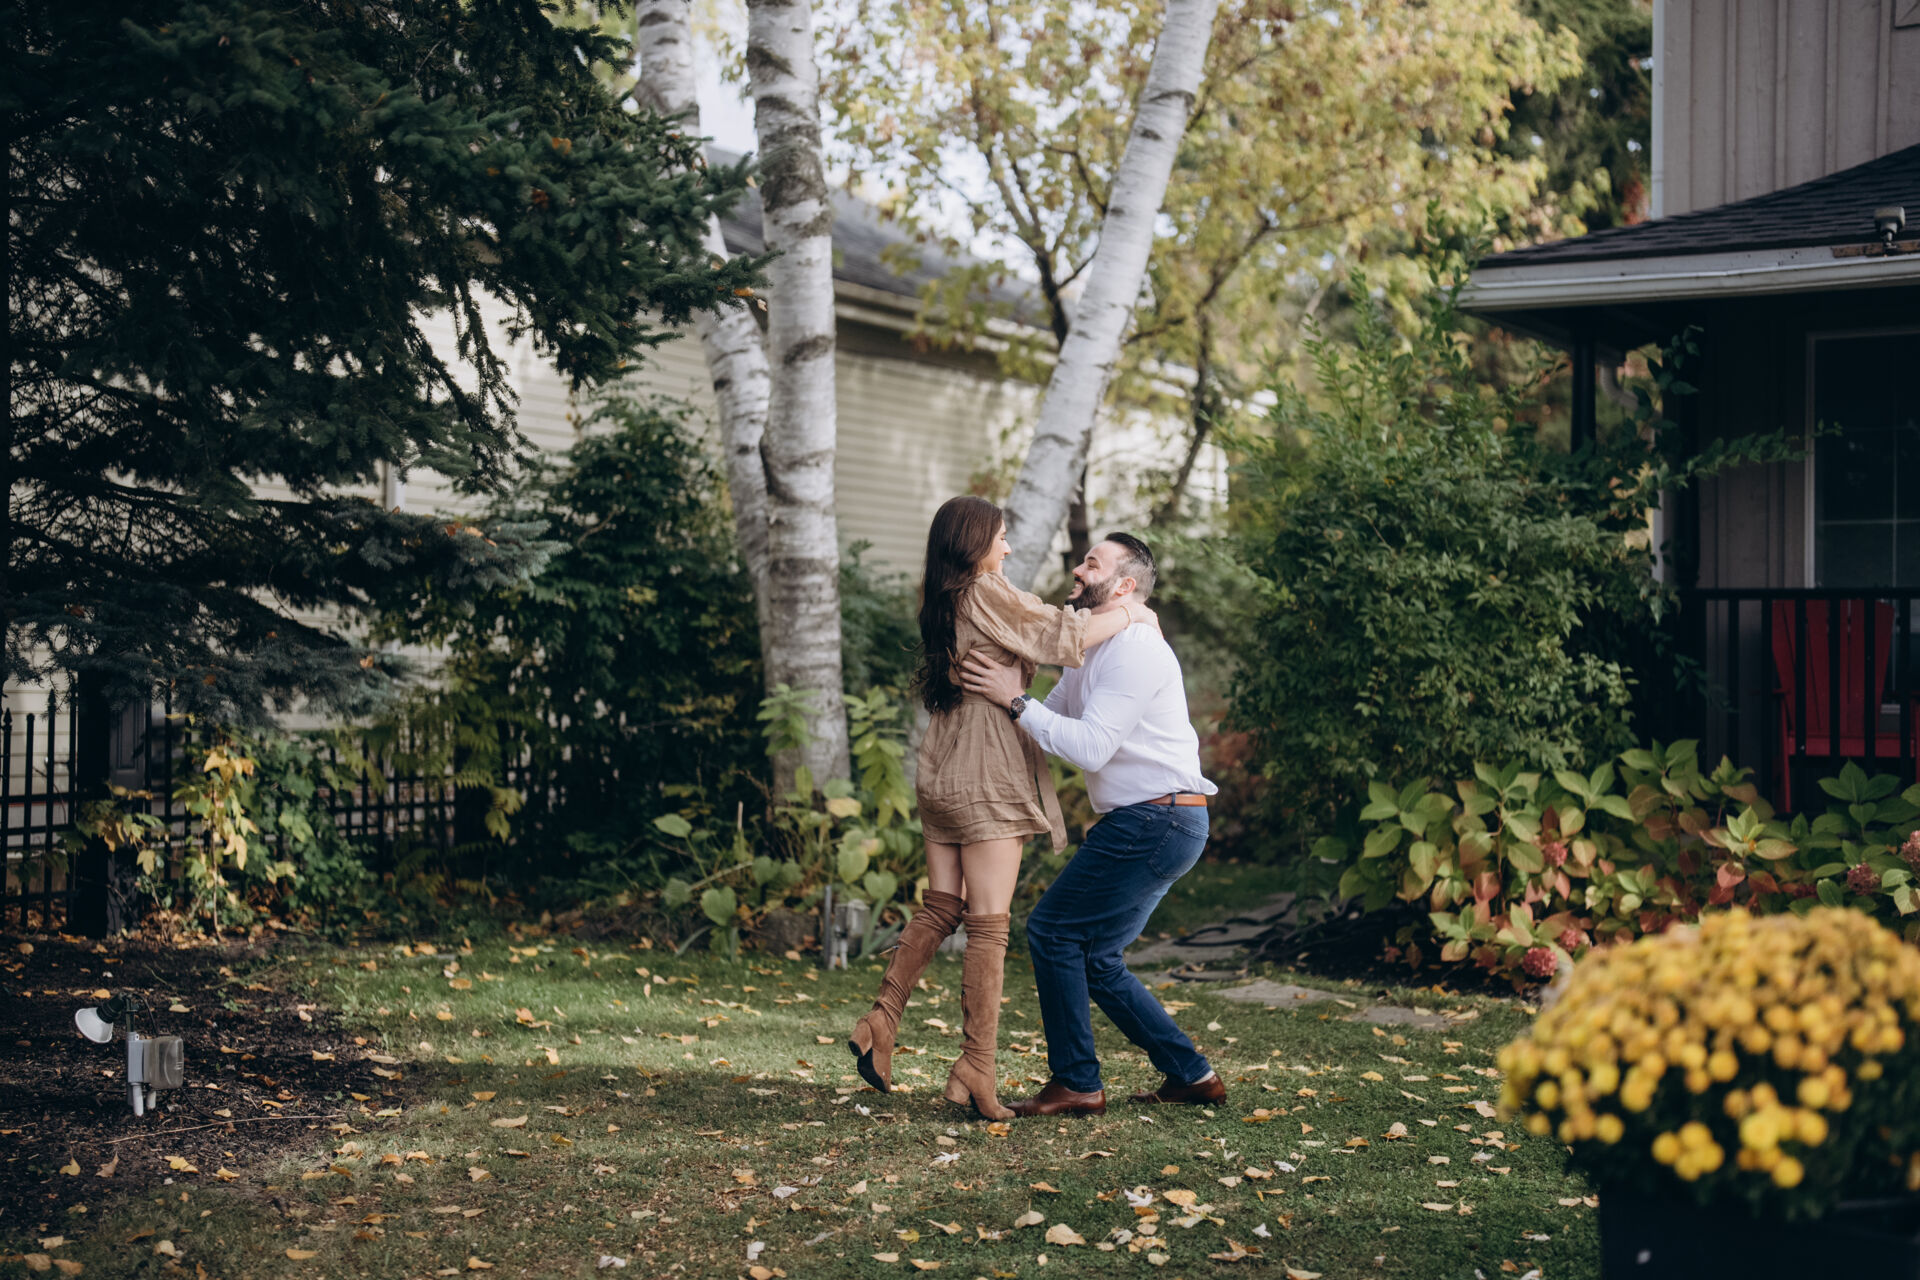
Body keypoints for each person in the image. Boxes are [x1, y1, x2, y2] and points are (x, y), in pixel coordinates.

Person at [848, 496, 1150, 1120]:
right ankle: (976, 1066)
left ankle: (881, 1019)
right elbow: (1060, 633)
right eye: (1001, 537)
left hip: (944, 762)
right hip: (984, 766)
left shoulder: (945, 598)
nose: (1007, 548)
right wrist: (1132, 611)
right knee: (989, 924)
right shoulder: (984, 588)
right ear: (974, 542)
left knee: (944, 905)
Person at [958, 531, 1223, 1117]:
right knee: (1097, 957)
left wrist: (1016, 701)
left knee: (1053, 932)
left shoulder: (1136, 649)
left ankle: (1077, 1082)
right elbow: (1053, 721)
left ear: (1124, 586)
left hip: (1156, 819)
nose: (1077, 570)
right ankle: (1191, 1075)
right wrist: (1010, 698)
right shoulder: (1096, 648)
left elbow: (1090, 747)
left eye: (1091, 564)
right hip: (1158, 820)